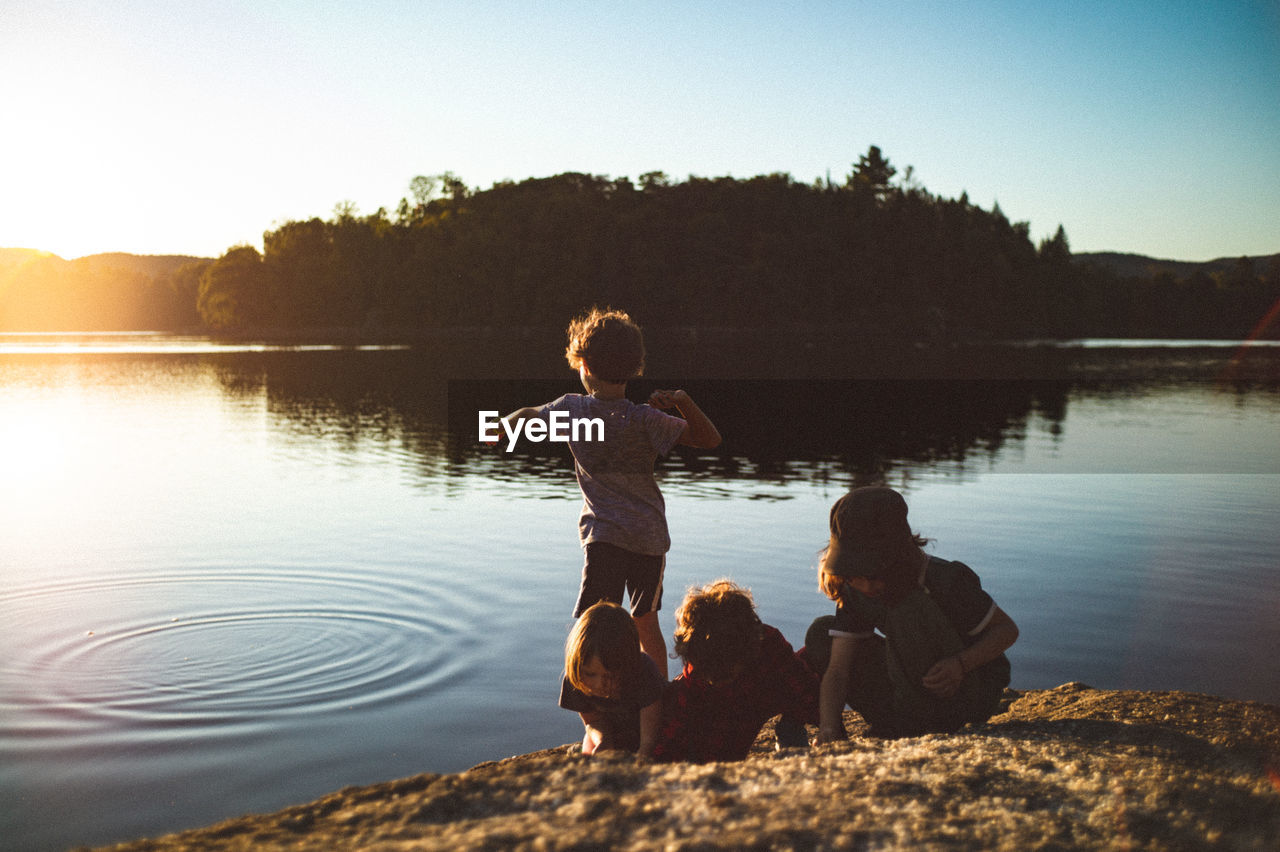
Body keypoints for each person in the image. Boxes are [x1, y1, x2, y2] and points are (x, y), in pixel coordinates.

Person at [500, 307, 720, 677]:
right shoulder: (646, 419)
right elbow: (709, 439)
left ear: (583, 365)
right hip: (648, 538)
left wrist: (500, 428)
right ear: (635, 368)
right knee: (645, 623)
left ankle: (589, 704)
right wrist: (683, 399)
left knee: (592, 624)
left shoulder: (571, 409)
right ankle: (656, 698)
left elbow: (525, 414)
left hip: (604, 537)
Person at [808, 486, 1019, 742]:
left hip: (965, 688)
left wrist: (961, 664)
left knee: (907, 610)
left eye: (873, 574)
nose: (865, 586)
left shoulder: (946, 580)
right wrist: (828, 728)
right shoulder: (857, 591)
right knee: (822, 633)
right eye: (853, 576)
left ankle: (914, 724)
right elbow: (838, 670)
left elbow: (1007, 630)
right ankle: (893, 722)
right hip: (909, 685)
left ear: (897, 554)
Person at [652, 580, 819, 763]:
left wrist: (827, 729)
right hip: (725, 716)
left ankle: (791, 741)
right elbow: (670, 738)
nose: (718, 679)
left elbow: (806, 689)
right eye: (711, 674)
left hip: (761, 697)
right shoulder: (692, 681)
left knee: (812, 674)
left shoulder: (769, 645)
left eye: (726, 673)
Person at [559, 601, 665, 757]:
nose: (598, 684)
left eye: (610, 676)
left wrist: (642, 756)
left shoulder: (644, 672)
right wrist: (604, 740)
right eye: (590, 674)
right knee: (591, 756)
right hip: (613, 731)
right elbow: (592, 721)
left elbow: (649, 741)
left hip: (651, 731)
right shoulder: (577, 678)